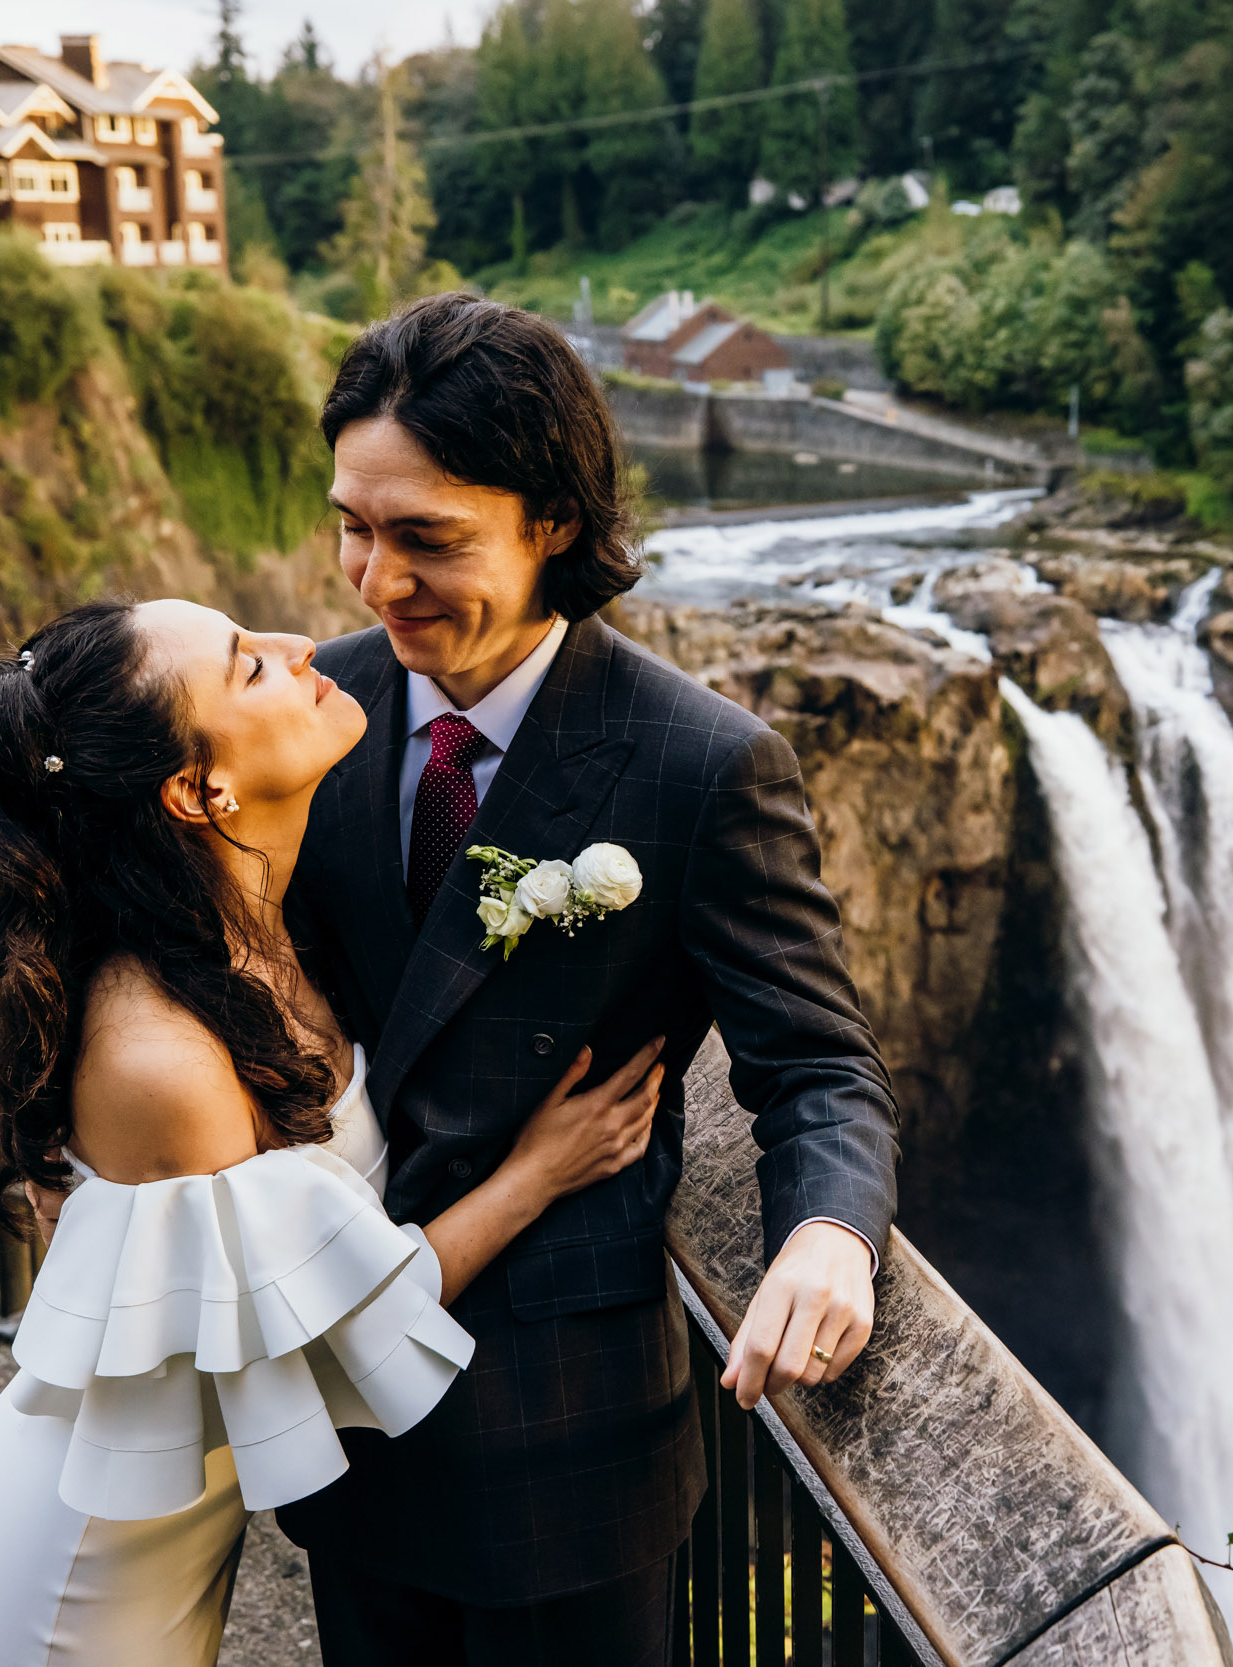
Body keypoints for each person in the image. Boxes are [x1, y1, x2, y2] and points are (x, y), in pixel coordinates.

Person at [269, 294, 900, 1666]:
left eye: (429, 537)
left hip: (564, 1447)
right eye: (353, 525)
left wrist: (830, 1234)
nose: (377, 579)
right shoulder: (312, 708)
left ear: (552, 518)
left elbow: (819, 1065)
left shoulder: (699, 761)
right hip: (345, 1410)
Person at [0, 595, 667, 1667]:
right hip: (79, 1562)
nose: (300, 647)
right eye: (249, 667)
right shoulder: (162, 1060)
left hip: (168, 1513)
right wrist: (538, 1172)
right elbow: (330, 1333)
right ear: (198, 788)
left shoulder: (243, 920)